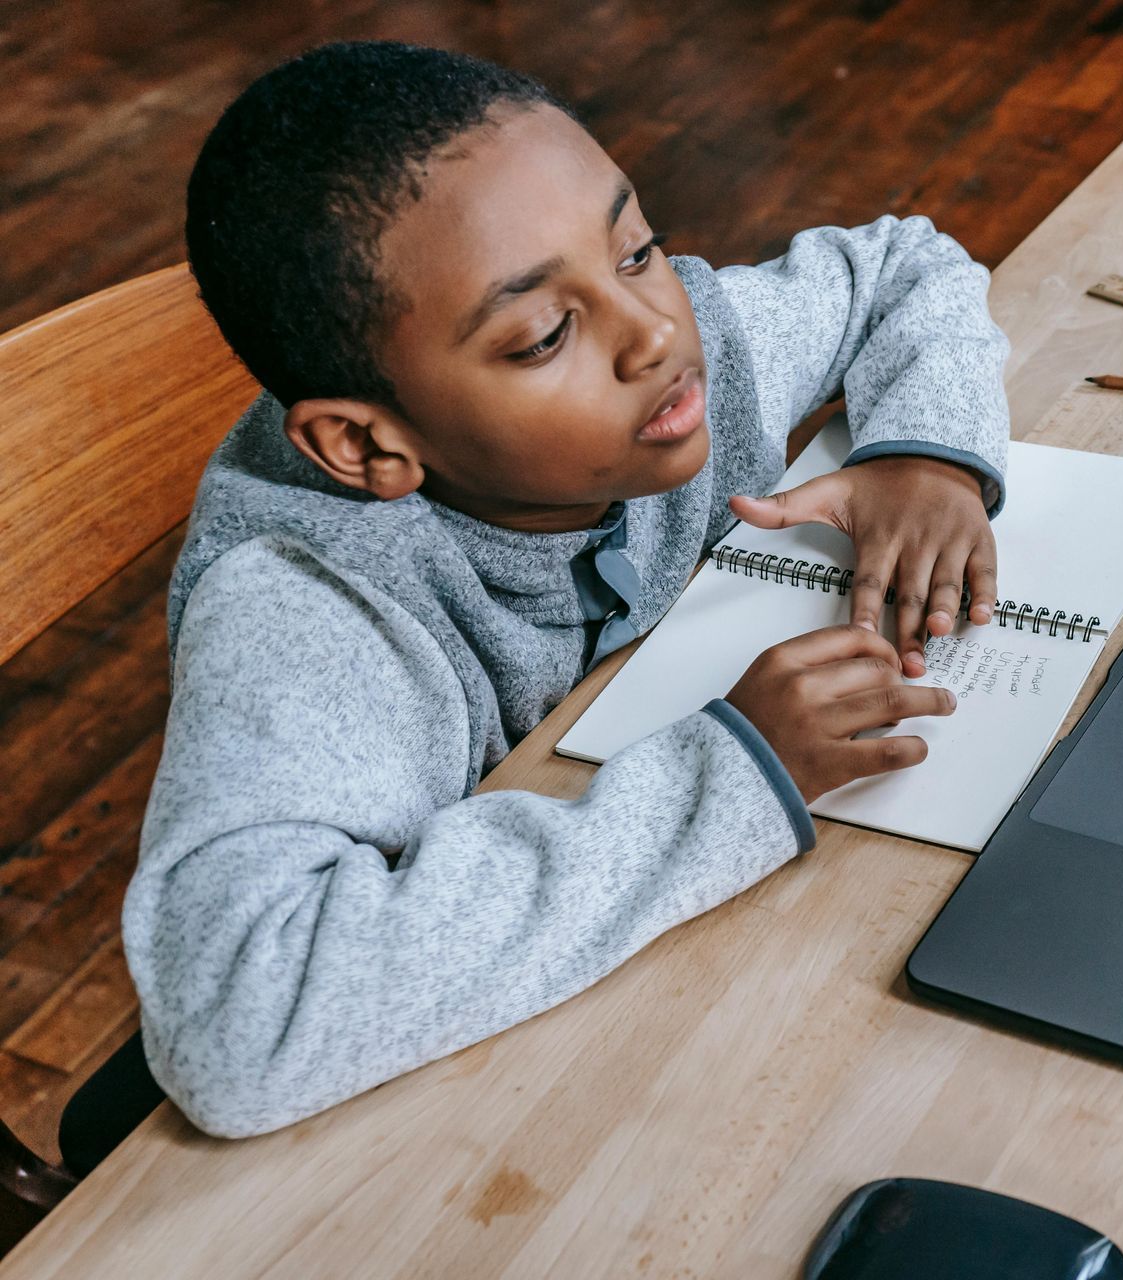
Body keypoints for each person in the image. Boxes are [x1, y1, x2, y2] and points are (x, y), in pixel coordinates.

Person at [125, 39, 1011, 1138]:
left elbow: (902, 267)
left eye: (636, 247)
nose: (655, 331)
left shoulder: (683, 360)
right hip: (431, 1114)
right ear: (365, 445)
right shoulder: (311, 603)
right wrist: (731, 774)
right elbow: (236, 1025)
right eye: (545, 334)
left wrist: (927, 458)